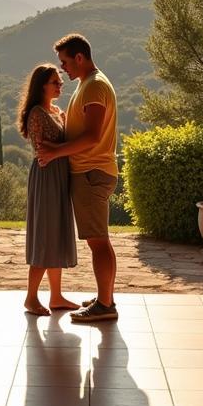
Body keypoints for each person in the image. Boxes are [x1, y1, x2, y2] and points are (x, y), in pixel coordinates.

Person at [36, 33, 120, 323]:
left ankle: (105, 306)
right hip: (90, 173)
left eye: (65, 62)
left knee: (98, 242)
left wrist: (57, 151)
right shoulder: (88, 84)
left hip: (91, 173)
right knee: (99, 241)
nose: (63, 69)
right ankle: (105, 297)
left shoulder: (94, 87)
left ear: (80, 58)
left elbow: (92, 136)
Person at [17, 64, 78, 316]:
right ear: (42, 85)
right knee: (44, 236)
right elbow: (41, 152)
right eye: (55, 82)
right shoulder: (36, 114)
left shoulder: (58, 112)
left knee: (56, 235)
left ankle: (56, 296)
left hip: (59, 176)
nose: (60, 85)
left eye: (60, 81)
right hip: (46, 177)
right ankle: (31, 298)